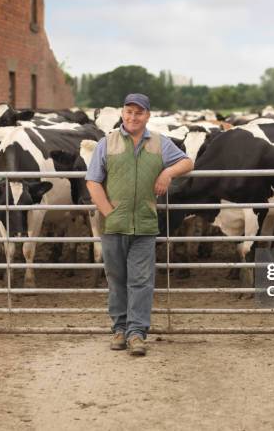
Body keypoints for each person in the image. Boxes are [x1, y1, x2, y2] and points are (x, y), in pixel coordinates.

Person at [85, 93, 193, 356]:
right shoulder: (106, 143)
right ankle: (119, 330)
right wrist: (108, 212)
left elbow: (188, 162)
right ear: (123, 113)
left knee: (141, 281)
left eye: (139, 113)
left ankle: (136, 334)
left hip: (145, 224)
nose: (133, 117)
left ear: (147, 116)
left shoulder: (159, 142)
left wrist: (168, 172)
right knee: (117, 279)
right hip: (113, 224)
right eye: (129, 112)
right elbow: (93, 181)